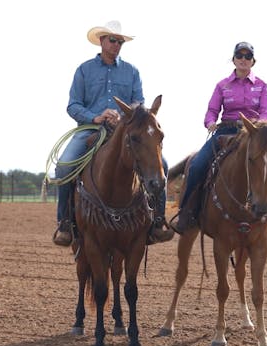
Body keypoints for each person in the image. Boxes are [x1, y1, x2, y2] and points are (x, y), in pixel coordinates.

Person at [52, 20, 175, 247]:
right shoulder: (84, 70)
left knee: (162, 165)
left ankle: (158, 221)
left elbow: (140, 102)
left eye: (120, 42)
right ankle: (65, 223)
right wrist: (95, 117)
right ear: (101, 41)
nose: (117, 44)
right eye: (113, 40)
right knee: (64, 166)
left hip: (124, 131)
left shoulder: (132, 71)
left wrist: (123, 116)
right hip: (90, 128)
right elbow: (73, 105)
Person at [172, 41, 267, 242]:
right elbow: (212, 110)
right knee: (198, 165)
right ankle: (186, 214)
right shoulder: (222, 85)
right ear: (233, 59)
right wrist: (210, 123)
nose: (243, 59)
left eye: (247, 56)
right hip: (224, 132)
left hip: (253, 135)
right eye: (239, 56)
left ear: (253, 61)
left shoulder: (262, 85)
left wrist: (259, 126)